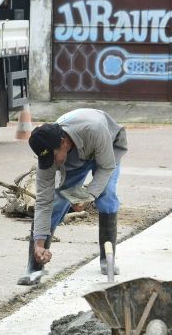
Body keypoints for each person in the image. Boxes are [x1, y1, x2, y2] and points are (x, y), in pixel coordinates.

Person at [17, 108, 128, 285]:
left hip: (107, 147)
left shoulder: (95, 128)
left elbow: (106, 167)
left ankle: (107, 259)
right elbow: (44, 202)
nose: (51, 164)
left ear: (63, 143)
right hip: (77, 155)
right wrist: (38, 245)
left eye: (53, 157)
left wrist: (89, 195)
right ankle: (34, 269)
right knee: (55, 202)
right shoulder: (49, 153)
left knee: (106, 195)